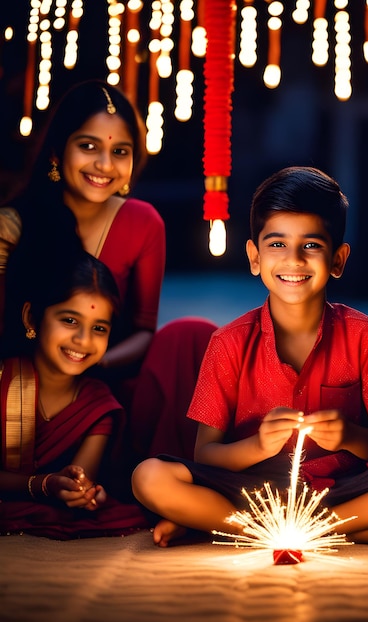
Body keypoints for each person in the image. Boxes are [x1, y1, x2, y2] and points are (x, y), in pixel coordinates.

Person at [132, 166, 368, 552]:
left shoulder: (366, 336)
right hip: (252, 494)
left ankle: (240, 526)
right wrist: (258, 446)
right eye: (276, 245)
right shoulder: (228, 343)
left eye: (311, 245)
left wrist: (349, 436)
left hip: (343, 492)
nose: (293, 259)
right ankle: (352, 531)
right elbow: (205, 454)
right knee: (149, 477)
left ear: (338, 259)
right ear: (254, 257)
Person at [1, 79, 217, 462]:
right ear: (56, 150)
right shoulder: (15, 224)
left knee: (191, 336)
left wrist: (93, 358)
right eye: (89, 146)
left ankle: (182, 475)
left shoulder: (143, 223)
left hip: (106, 375)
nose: (104, 165)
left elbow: (143, 330)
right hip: (23, 384)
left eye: (120, 151)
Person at [0, 250, 148, 539]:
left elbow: (79, 478)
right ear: (32, 317)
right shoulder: (3, 379)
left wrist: (84, 494)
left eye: (99, 328)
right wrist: (42, 484)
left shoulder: (98, 405)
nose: (83, 340)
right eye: (69, 320)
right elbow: (49, 485)